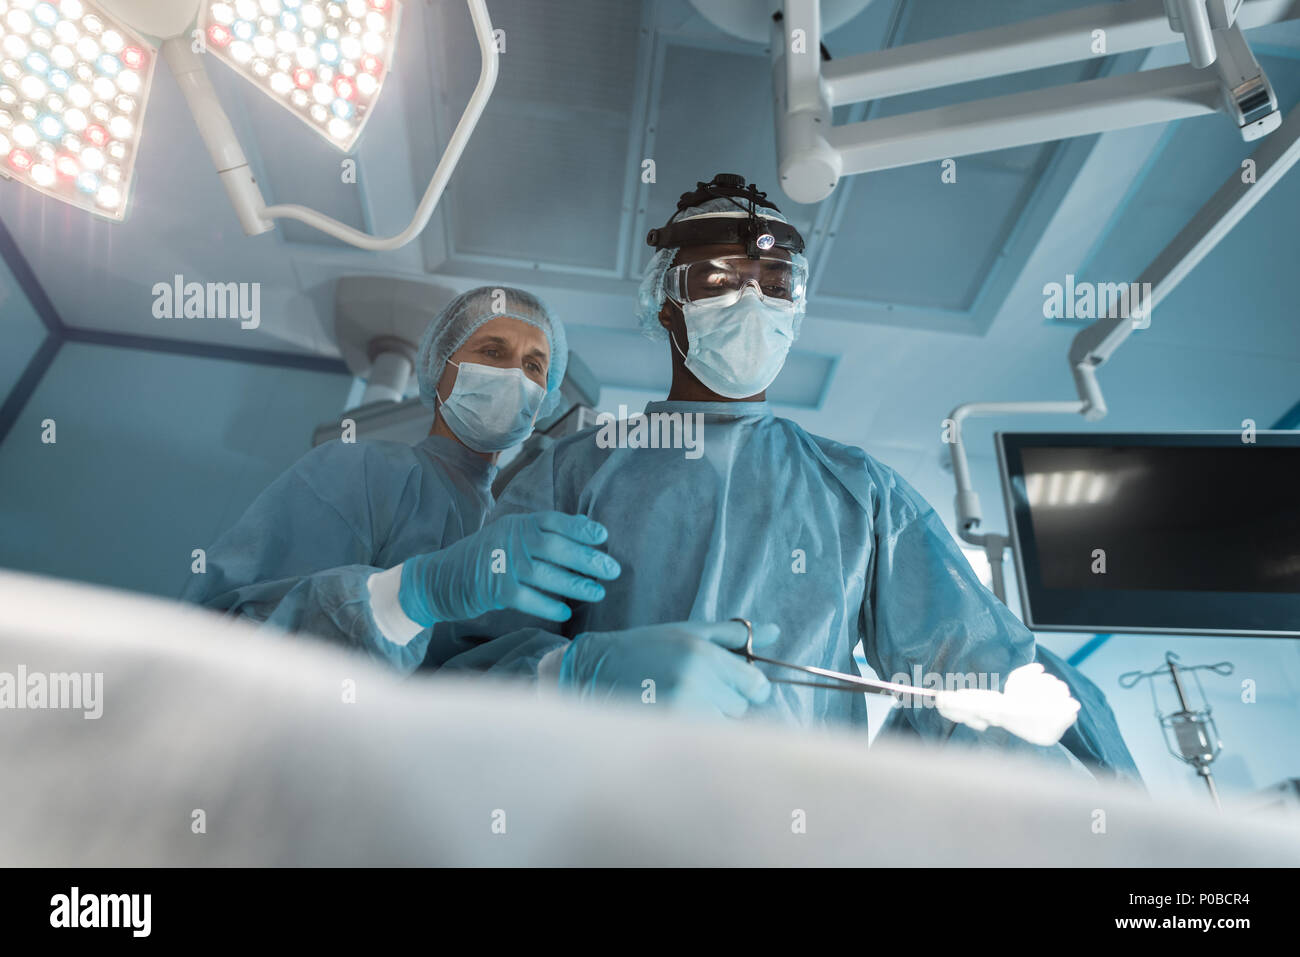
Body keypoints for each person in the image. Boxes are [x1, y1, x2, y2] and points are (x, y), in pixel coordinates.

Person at [425, 175, 1138, 779]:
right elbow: (461, 683)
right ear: (664, 302)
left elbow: (977, 672)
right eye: (720, 279)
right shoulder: (575, 469)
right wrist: (576, 675)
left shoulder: (859, 492)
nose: (752, 299)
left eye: (774, 282)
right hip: (603, 824)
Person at [184, 286, 621, 672]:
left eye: (534, 365)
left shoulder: (516, 523)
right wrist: (412, 596)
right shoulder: (357, 470)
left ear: (547, 396)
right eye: (492, 352)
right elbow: (232, 639)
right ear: (438, 365)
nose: (514, 376)